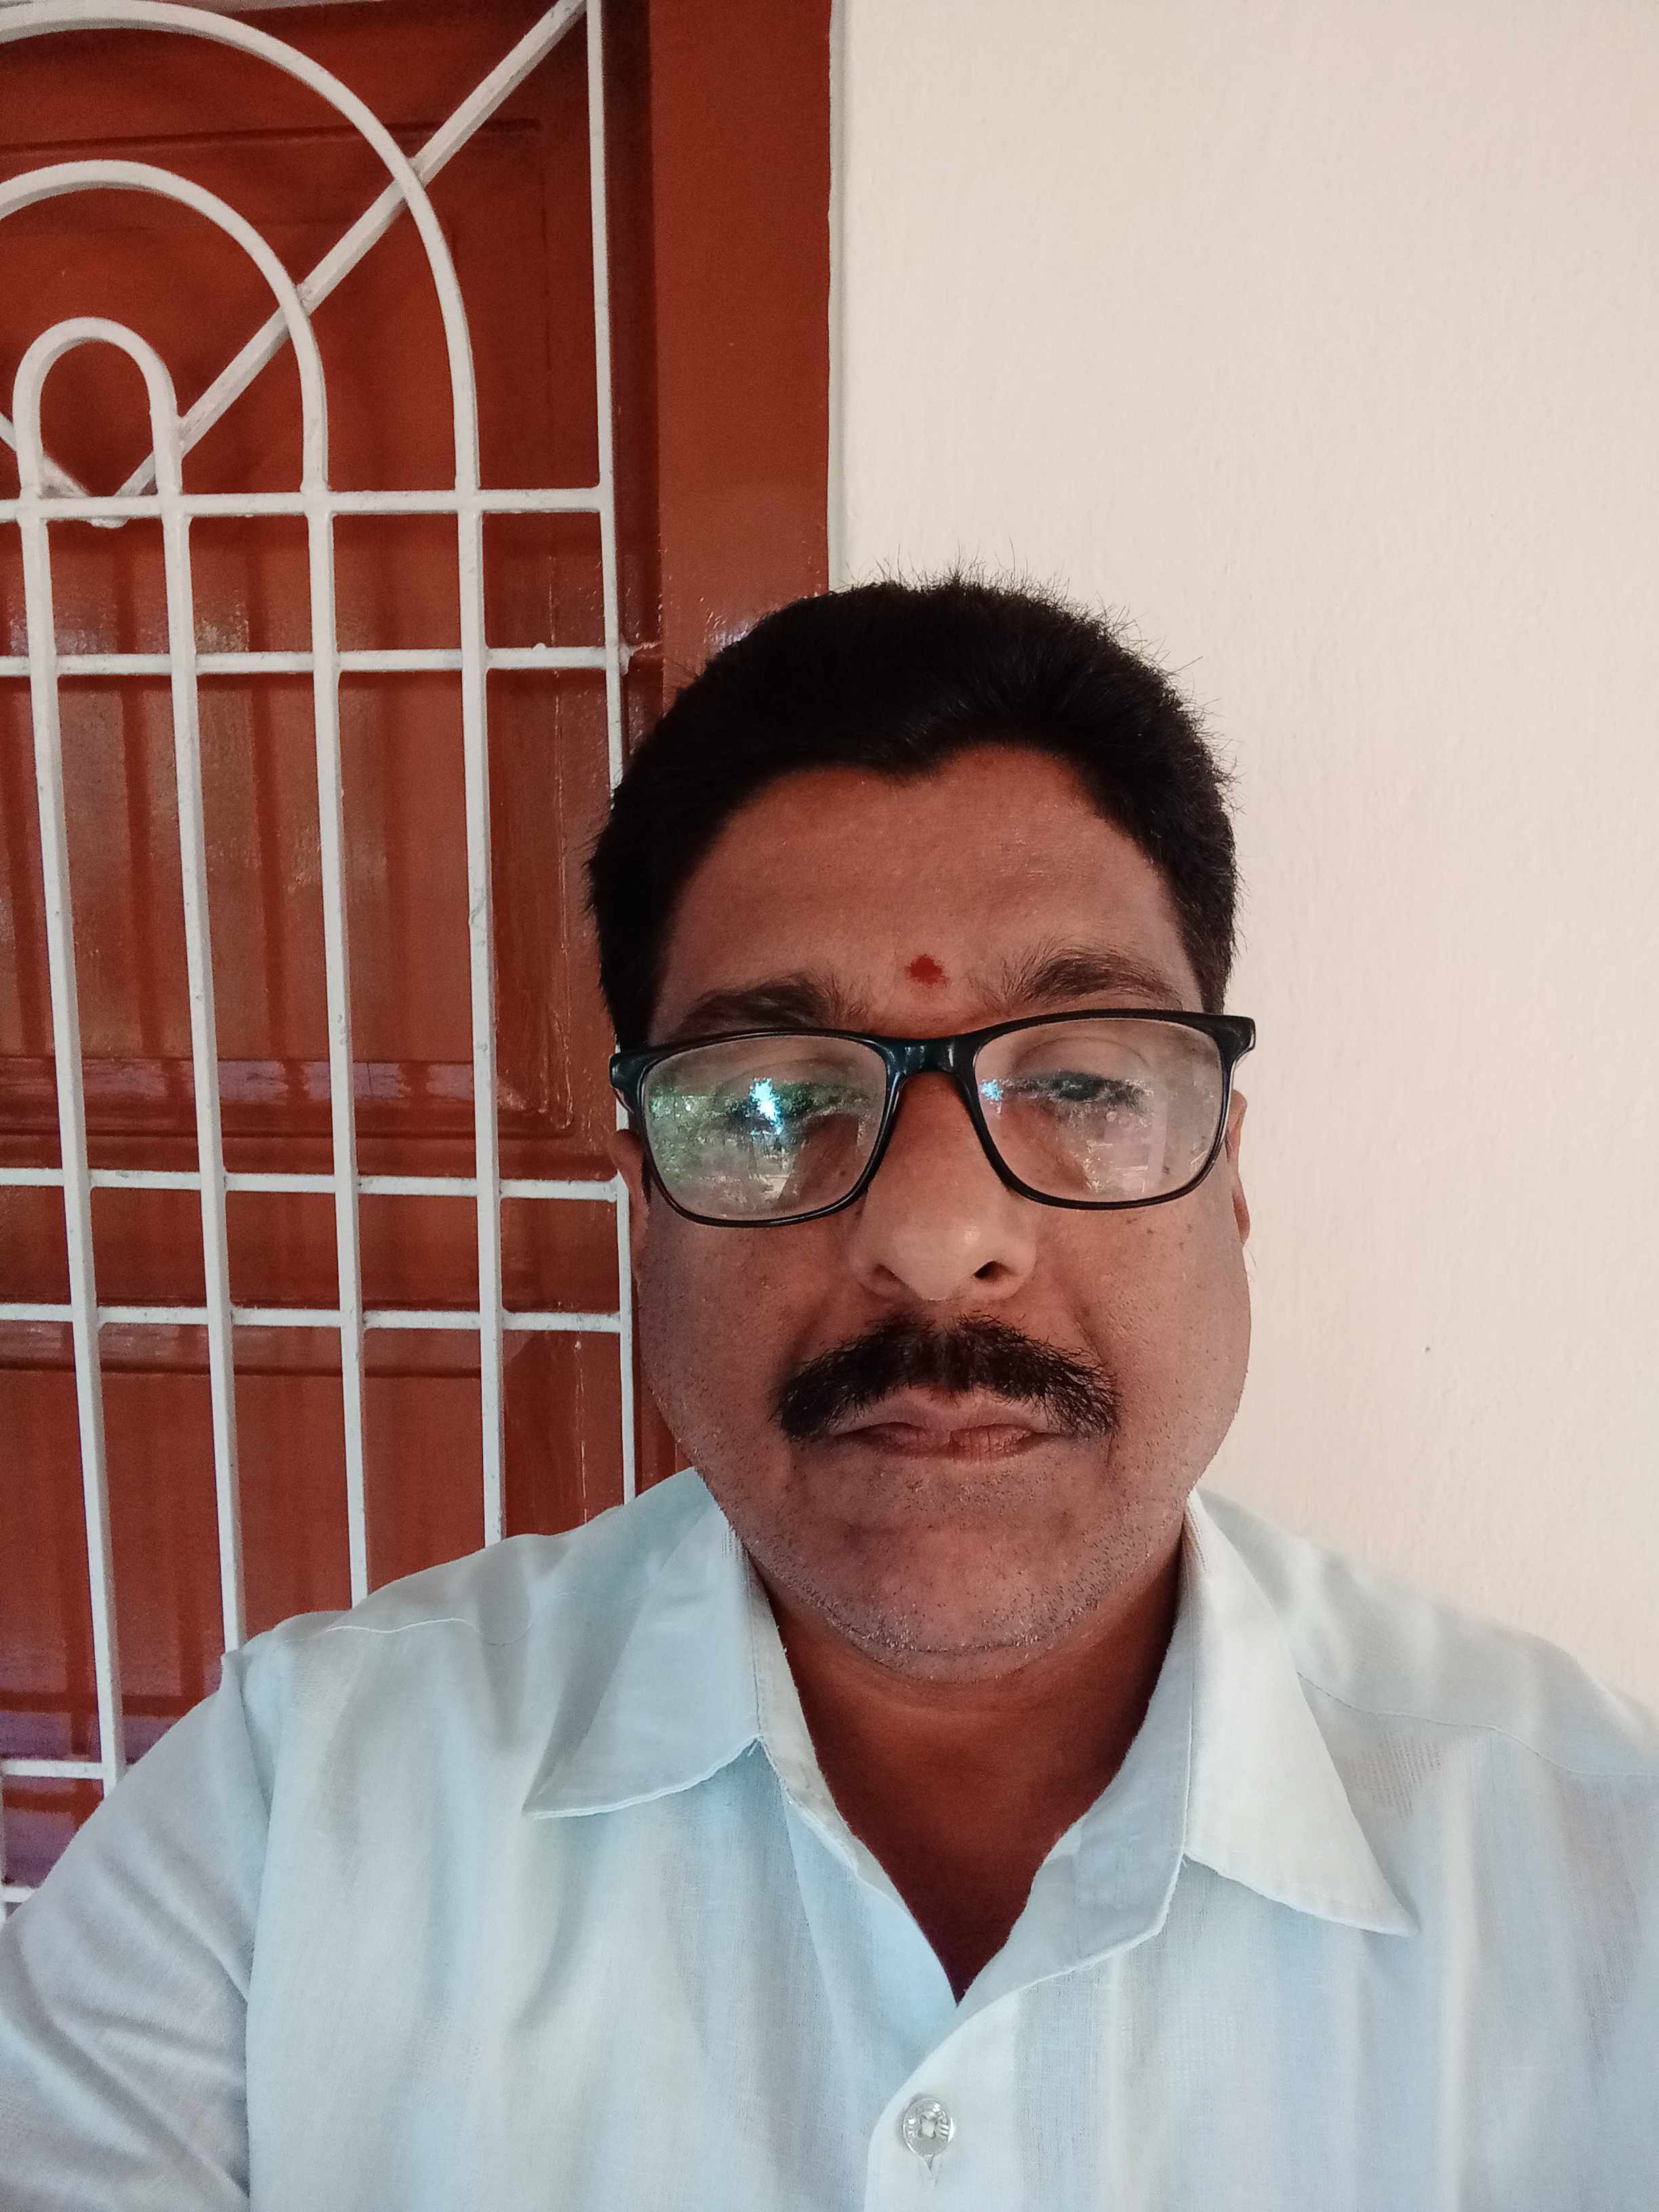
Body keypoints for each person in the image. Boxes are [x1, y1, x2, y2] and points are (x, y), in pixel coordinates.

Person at [1, 574, 1655, 2207]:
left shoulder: (1599, 1881)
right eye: (771, 1104)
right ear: (645, 1200)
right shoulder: (289, 1829)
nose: (935, 1240)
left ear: (1228, 1174)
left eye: (1085, 1080)